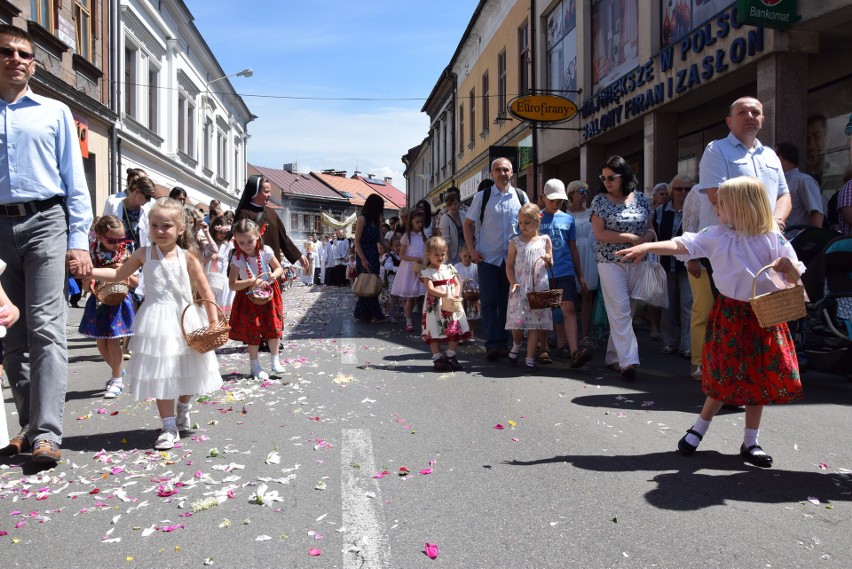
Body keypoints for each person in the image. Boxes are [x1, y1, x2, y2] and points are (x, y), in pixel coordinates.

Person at [618, 176, 804, 467]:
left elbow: (796, 275)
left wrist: (788, 266)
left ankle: (751, 441)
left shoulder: (772, 237)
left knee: (758, 379)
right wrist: (647, 248)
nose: (715, 208)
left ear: (742, 207)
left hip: (763, 315)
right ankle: (699, 427)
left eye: (721, 204)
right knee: (722, 375)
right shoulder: (717, 235)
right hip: (730, 315)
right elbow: (683, 244)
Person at [0, 25, 94, 463]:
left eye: (24, 53)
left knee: (46, 328)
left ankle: (48, 435)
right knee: (12, 335)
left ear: (33, 63)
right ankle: (28, 423)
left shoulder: (54, 111)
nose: (16, 59)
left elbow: (75, 181)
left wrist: (79, 241)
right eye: (7, 51)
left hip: (46, 223)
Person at [88, 198, 222, 451]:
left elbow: (206, 291)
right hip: (157, 319)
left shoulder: (188, 257)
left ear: (181, 229)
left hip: (186, 318)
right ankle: (168, 425)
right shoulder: (143, 254)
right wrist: (90, 272)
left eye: (166, 226)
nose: (160, 231)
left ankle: (183, 406)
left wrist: (213, 323)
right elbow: (118, 274)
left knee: (190, 371)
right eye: (154, 225)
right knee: (164, 373)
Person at [695, 96, 792, 378]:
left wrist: (776, 220)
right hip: (732, 248)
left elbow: (784, 194)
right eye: (742, 112)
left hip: (766, 245)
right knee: (733, 317)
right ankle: (727, 379)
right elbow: (716, 195)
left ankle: (759, 376)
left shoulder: (771, 155)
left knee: (768, 316)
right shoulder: (717, 150)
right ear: (729, 120)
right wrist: (759, 219)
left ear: (762, 120)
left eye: (755, 112)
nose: (749, 116)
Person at [590, 156, 655, 380]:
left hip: (637, 261)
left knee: (628, 310)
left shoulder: (642, 200)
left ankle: (612, 356)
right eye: (603, 177)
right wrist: (628, 237)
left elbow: (651, 230)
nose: (607, 181)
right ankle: (629, 361)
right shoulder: (600, 200)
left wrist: (646, 238)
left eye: (612, 177)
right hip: (610, 262)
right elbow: (599, 233)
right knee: (620, 311)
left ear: (624, 176)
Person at [463, 158, 530, 361]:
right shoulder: (482, 197)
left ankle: (505, 342)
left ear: (512, 173)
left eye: (506, 170)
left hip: (512, 260)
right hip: (488, 259)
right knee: (490, 303)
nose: (502, 173)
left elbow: (530, 222)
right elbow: (467, 224)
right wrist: (472, 251)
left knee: (509, 303)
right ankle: (493, 344)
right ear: (491, 174)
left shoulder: (520, 196)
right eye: (498, 169)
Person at [78, 216, 137, 399]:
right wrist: (89, 281)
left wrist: (123, 270)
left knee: (113, 341)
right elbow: (86, 287)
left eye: (121, 240)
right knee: (101, 343)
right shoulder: (92, 255)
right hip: (99, 301)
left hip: (118, 301)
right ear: (99, 236)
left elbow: (136, 282)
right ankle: (117, 370)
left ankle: (117, 380)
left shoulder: (126, 254)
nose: (117, 244)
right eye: (112, 240)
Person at [539, 180, 591, 368]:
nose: (555, 203)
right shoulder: (536, 218)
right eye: (552, 200)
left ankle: (574, 351)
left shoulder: (568, 219)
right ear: (543, 197)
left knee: (568, 309)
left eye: (559, 200)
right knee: (545, 311)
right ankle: (543, 347)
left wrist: (581, 276)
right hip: (543, 273)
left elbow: (573, 248)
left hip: (565, 271)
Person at [228, 218, 286, 379]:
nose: (246, 245)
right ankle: (255, 366)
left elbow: (279, 268)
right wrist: (252, 281)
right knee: (252, 330)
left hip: (268, 292)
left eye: (250, 241)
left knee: (273, 326)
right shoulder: (237, 258)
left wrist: (273, 276)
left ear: (258, 237)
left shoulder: (265, 251)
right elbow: (232, 284)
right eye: (241, 242)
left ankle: (275, 360)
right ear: (236, 242)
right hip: (248, 296)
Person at [506, 203, 554, 372]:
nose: (522, 226)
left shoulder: (545, 240)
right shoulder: (515, 242)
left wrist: (548, 259)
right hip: (519, 286)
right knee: (516, 322)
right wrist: (513, 282)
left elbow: (550, 264)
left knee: (534, 324)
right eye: (520, 222)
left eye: (526, 222)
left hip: (538, 286)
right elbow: (509, 265)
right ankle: (517, 344)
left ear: (536, 222)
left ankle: (530, 357)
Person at [234, 175, 306, 278]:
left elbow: (283, 238)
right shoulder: (244, 213)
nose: (270, 195)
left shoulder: (271, 212)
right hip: (253, 268)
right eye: (266, 191)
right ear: (254, 193)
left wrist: (298, 255)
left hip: (273, 266)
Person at [654, 175, 693, 358]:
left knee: (688, 305)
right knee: (667, 306)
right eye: (679, 189)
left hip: (687, 266)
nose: (683, 193)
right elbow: (654, 235)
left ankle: (687, 345)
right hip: (665, 264)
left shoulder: (694, 211)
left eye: (687, 189)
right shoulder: (661, 211)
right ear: (672, 191)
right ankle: (669, 342)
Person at [419, 236, 471, 371]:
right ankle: (437, 358)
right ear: (428, 254)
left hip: (450, 304)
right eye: (436, 255)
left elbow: (457, 283)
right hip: (435, 306)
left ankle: (450, 355)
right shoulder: (427, 272)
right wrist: (444, 294)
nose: (440, 257)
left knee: (454, 330)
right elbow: (430, 289)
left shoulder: (449, 268)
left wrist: (456, 294)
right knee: (434, 331)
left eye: (443, 254)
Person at [566, 181, 598, 347]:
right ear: (571, 193)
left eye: (586, 191)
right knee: (568, 297)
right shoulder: (564, 214)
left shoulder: (591, 212)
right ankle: (568, 335)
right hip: (571, 253)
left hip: (589, 254)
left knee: (587, 295)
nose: (584, 194)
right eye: (581, 191)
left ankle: (585, 334)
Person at [354, 193, 390, 322]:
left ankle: (365, 314)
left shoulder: (376, 221)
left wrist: (392, 248)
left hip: (373, 254)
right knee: (366, 283)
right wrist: (363, 259)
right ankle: (372, 314)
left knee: (372, 282)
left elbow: (381, 239)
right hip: (363, 253)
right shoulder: (362, 219)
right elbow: (356, 241)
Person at [391, 209, 427, 331]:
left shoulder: (424, 236)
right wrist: (414, 259)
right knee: (410, 296)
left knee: (425, 296)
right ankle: (408, 321)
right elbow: (401, 255)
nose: (420, 224)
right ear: (411, 222)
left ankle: (427, 321)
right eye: (417, 222)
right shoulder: (407, 236)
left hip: (421, 268)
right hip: (409, 269)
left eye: (422, 222)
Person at [775, 142, 825, 229]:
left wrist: (814, 239)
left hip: (797, 239)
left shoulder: (804, 181)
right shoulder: (777, 182)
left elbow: (816, 213)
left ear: (780, 158)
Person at [103, 174, 155, 253]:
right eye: (147, 197)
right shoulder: (112, 203)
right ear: (137, 191)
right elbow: (103, 229)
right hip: (115, 255)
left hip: (138, 259)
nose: (149, 200)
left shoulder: (147, 211)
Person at [806, 114, 844, 194]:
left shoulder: (839, 175)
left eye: (816, 137)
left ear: (827, 139)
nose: (811, 145)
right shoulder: (803, 175)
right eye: (807, 139)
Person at [206, 216, 235, 311]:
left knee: (221, 301)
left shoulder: (227, 245)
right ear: (215, 231)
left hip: (221, 277)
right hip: (209, 275)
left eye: (225, 233)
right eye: (220, 232)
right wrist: (211, 257)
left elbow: (229, 259)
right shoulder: (208, 244)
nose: (222, 235)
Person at [455, 244, 480, 321]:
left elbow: (478, 281)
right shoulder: (456, 267)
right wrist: (463, 281)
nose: (467, 259)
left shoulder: (475, 267)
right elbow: (453, 280)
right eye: (464, 256)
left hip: (473, 295)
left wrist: (476, 288)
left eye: (469, 257)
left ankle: (471, 330)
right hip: (461, 295)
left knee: (472, 317)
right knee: (462, 316)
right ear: (460, 255)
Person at [379, 235, 402, 322]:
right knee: (392, 297)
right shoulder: (390, 256)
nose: (398, 248)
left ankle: (394, 313)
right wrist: (399, 269)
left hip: (400, 278)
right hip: (392, 279)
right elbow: (388, 266)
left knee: (400, 297)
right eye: (396, 246)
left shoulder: (401, 256)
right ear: (391, 247)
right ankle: (390, 315)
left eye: (400, 245)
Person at [438, 193, 465, 265]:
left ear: (459, 203)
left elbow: (471, 230)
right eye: (450, 204)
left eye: (455, 203)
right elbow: (446, 242)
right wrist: (450, 259)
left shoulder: (464, 214)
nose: (453, 207)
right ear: (447, 206)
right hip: (452, 252)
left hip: (465, 250)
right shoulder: (445, 219)